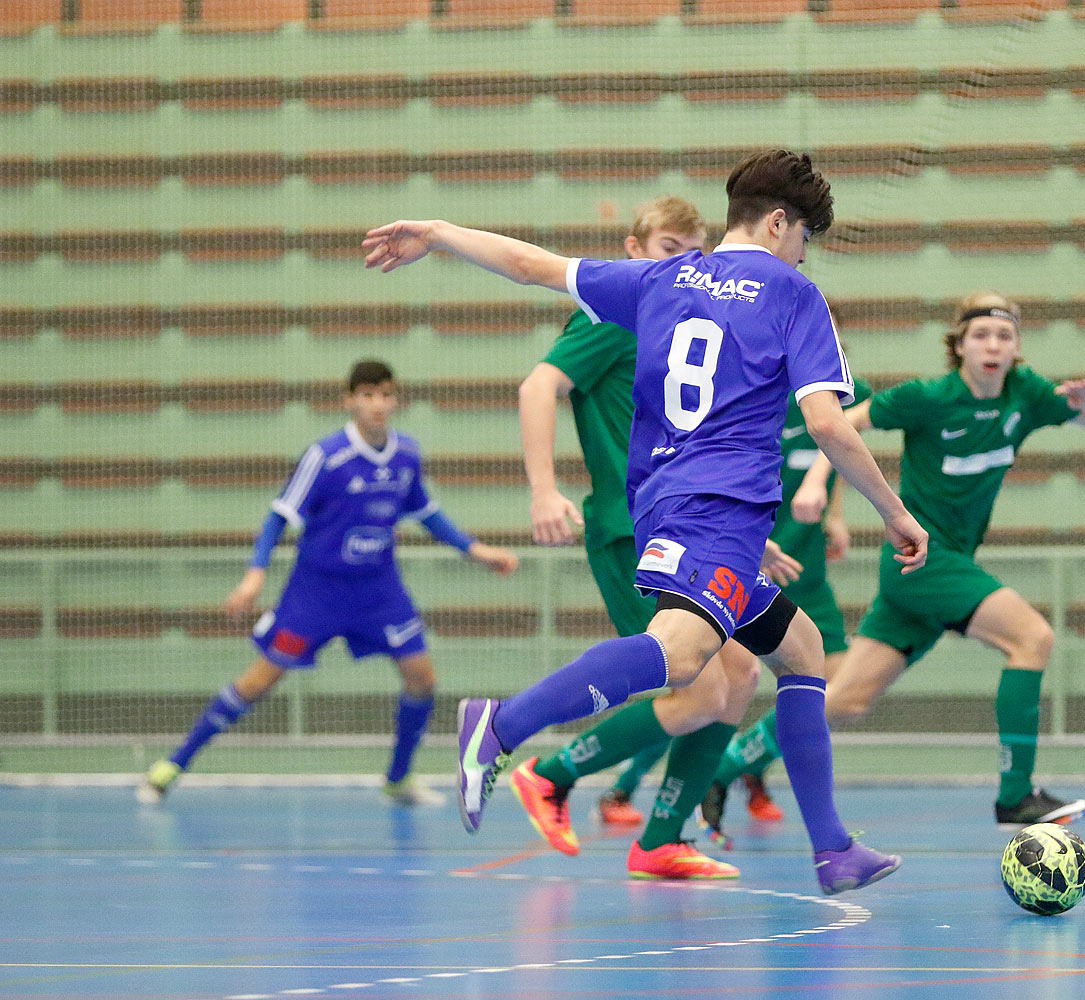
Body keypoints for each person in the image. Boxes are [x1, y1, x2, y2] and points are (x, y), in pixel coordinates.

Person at [363, 149, 928, 895]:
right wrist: (894, 511)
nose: (802, 253)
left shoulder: (663, 278)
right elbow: (826, 422)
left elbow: (534, 266)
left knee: (800, 649)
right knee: (682, 656)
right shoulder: (795, 294)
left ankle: (831, 848)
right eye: (804, 237)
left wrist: (437, 230)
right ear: (781, 223)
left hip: (669, 499)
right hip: (718, 510)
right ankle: (501, 726)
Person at [511, 195, 788, 880]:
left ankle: (662, 837)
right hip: (629, 529)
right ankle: (550, 774)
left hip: (690, 526)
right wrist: (544, 490)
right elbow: (538, 385)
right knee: (696, 689)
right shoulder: (615, 316)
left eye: (689, 253)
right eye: (666, 248)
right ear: (632, 251)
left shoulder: (681, 325)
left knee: (741, 676)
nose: (679, 264)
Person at [787, 290, 1085, 829]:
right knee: (1031, 637)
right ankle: (1015, 796)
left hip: (930, 575)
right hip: (924, 557)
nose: (993, 345)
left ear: (1017, 349)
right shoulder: (929, 397)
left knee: (843, 700)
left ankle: (732, 764)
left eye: (1004, 336)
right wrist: (815, 481)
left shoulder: (1026, 396)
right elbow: (842, 423)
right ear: (960, 346)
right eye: (981, 335)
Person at [137, 360, 518, 806]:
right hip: (315, 595)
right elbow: (280, 516)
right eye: (367, 395)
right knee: (257, 682)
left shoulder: (406, 456)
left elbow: (427, 514)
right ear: (350, 400)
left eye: (386, 395)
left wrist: (477, 551)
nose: (378, 404)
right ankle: (174, 764)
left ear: (395, 401)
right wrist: (253, 576)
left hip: (379, 592)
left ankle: (398, 779)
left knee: (422, 679)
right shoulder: (326, 456)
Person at [698, 372, 872, 848]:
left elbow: (836, 452)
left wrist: (834, 515)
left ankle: (742, 763)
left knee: (838, 689)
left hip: (805, 569)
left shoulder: (837, 398)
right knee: (714, 684)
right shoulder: (747, 392)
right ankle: (640, 787)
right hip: (749, 561)